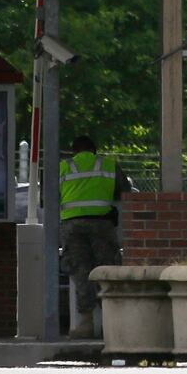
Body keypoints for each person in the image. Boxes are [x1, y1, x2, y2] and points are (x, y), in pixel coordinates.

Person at [60, 135, 128, 339]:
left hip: (72, 225)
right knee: (108, 270)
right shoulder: (109, 165)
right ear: (94, 151)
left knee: (81, 270)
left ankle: (85, 324)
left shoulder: (63, 167)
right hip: (102, 224)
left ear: (74, 151)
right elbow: (124, 192)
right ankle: (112, 323)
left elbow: (49, 196)